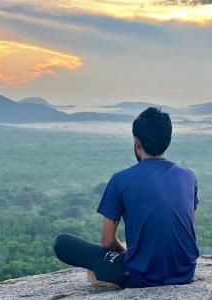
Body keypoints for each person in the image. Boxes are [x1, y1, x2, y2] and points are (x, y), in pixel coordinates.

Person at [53, 107, 199, 289]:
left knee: (63, 243)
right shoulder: (188, 177)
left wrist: (126, 253)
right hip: (184, 272)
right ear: (167, 141)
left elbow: (107, 240)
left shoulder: (120, 180)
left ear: (137, 142)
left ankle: (110, 275)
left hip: (141, 277)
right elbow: (189, 231)